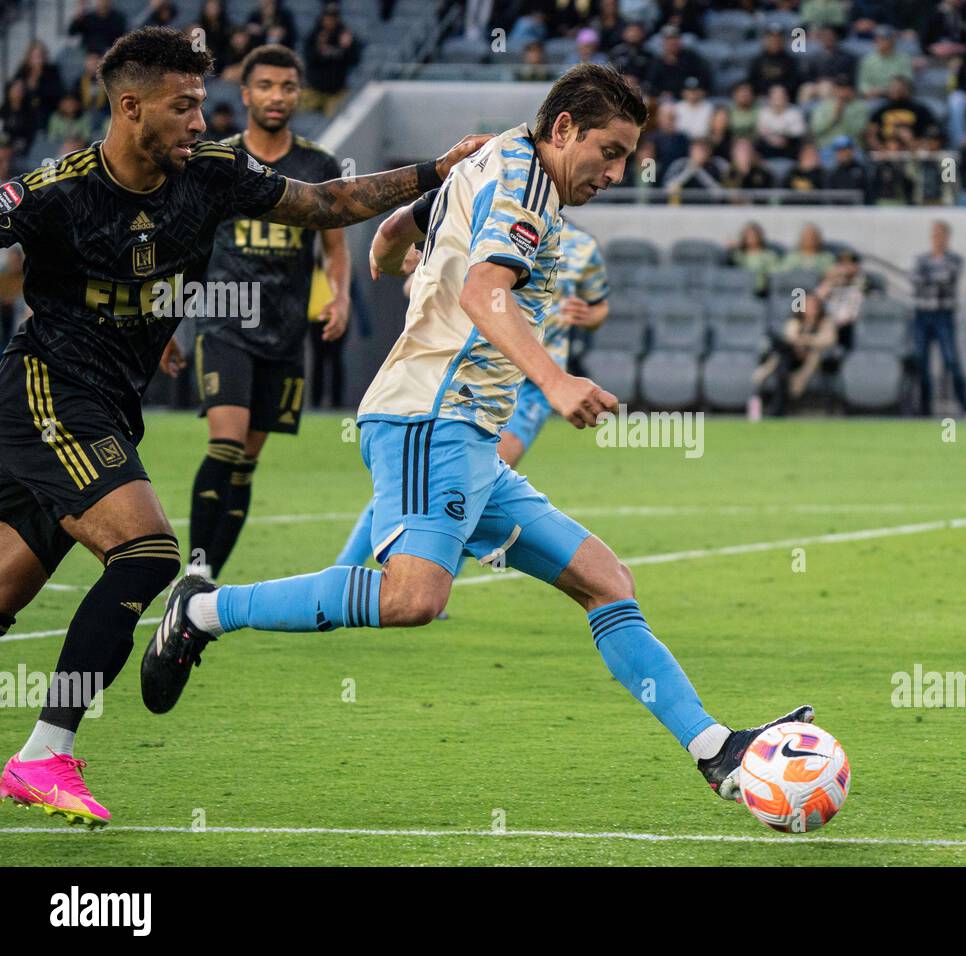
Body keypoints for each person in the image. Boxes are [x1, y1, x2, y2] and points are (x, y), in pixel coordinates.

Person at [147, 64, 814, 812]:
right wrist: (556, 381)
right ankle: (202, 611)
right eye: (610, 151)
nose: (618, 171)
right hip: (431, 416)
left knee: (606, 581)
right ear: (564, 129)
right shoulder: (528, 181)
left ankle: (714, 750)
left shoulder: (498, 154)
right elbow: (482, 289)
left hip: (469, 432)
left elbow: (419, 215)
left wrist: (396, 237)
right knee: (412, 599)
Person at [0, 26, 485, 827]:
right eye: (182, 106)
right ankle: (45, 753)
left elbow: (327, 204)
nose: (200, 121)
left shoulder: (215, 173)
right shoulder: (60, 191)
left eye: (203, 104)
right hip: (46, 391)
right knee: (148, 551)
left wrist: (435, 170)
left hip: (107, 407)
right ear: (129, 108)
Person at [336, 217, 612, 569]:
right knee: (432, 478)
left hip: (534, 384)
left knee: (475, 481)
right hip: (475, 374)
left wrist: (588, 315)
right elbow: (419, 284)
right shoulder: (491, 225)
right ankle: (349, 566)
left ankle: (436, 580)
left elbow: (599, 305)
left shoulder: (582, 245)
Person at [186, 44, 349, 583]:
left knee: (247, 464)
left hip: (284, 332)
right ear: (246, 92)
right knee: (226, 444)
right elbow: (186, 240)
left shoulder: (318, 165)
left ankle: (205, 583)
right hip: (224, 322)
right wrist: (167, 318)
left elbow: (335, 243)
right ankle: (195, 567)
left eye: (287, 86)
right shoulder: (216, 159)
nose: (277, 96)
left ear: (298, 93)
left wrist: (341, 295)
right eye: (265, 86)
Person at [910, 220, 966, 415]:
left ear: (947, 237)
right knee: (921, 361)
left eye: (940, 234)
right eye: (934, 234)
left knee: (951, 359)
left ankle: (965, 405)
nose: (937, 238)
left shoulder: (955, 259)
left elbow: (947, 279)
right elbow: (916, 280)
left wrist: (929, 279)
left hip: (943, 315)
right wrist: (933, 279)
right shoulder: (922, 259)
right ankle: (924, 408)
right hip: (922, 315)